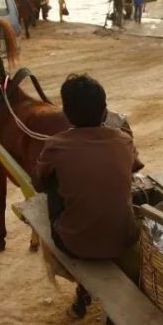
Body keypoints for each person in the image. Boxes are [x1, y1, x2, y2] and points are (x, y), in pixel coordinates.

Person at [32, 74, 144, 279]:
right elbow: (135, 167)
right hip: (124, 238)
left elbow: (38, 184)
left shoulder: (55, 145)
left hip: (76, 245)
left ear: (66, 114)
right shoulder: (124, 140)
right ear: (104, 112)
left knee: (53, 181)